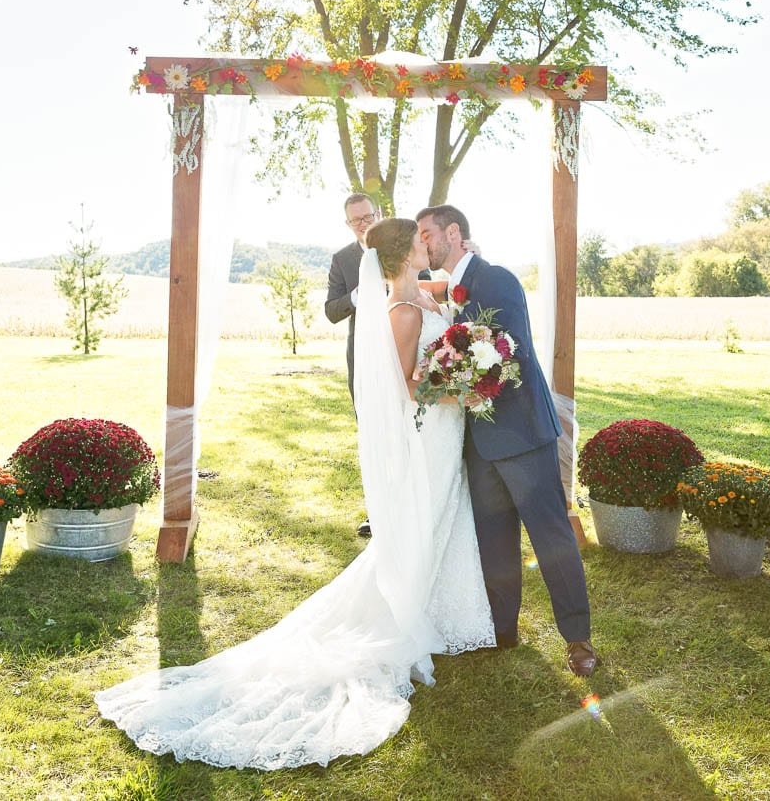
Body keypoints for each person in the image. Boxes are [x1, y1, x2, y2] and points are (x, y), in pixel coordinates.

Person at [96, 217, 493, 769]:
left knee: (441, 517)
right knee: (423, 520)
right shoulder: (401, 312)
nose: (432, 245)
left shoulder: (418, 295)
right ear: (405, 255)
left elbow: (448, 295)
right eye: (423, 242)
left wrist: (468, 327)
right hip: (432, 431)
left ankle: (436, 607)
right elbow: (408, 385)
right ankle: (406, 610)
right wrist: (458, 390)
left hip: (445, 437)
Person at [416, 204, 597, 676]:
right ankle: (502, 630)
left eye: (428, 233)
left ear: (454, 233)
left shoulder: (497, 279)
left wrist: (452, 381)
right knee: (493, 540)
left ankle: (577, 638)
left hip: (520, 433)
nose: (424, 242)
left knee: (550, 536)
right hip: (477, 443)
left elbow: (508, 355)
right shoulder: (452, 287)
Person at [325, 192, 381, 537]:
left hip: (404, 356)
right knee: (372, 436)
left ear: (379, 213)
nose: (363, 224)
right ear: (348, 224)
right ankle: (377, 513)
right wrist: (357, 297)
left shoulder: (399, 248)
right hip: (363, 361)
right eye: (355, 220)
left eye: (367, 217)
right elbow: (331, 310)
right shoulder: (342, 259)